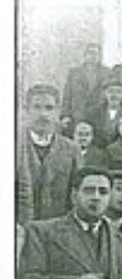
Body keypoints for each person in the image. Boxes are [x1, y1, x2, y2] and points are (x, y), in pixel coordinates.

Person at [18, 84, 81, 224]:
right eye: (37, 107)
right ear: (26, 110)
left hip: (56, 229)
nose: (43, 114)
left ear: (57, 111)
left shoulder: (71, 149)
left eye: (49, 108)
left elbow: (77, 196)